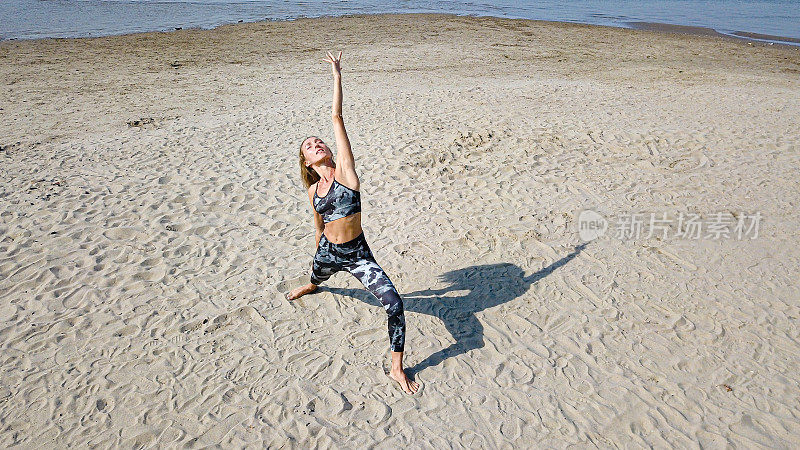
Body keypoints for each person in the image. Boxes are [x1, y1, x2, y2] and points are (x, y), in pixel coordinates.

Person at [285, 51, 419, 395]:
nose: (317, 145)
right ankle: (314, 285)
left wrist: (337, 75)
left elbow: (336, 116)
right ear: (307, 161)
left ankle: (396, 368)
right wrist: (318, 246)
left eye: (319, 141)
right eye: (310, 146)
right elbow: (317, 224)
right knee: (316, 277)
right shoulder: (313, 190)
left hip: (358, 255)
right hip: (328, 251)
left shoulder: (346, 174)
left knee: (395, 304)